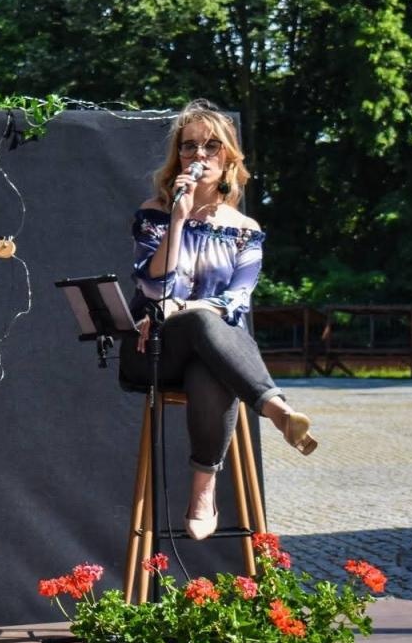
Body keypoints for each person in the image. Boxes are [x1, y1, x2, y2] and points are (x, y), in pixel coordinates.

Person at [119, 100, 317, 540]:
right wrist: (178, 217)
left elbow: (236, 301)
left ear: (228, 157)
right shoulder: (155, 212)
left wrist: (186, 308)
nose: (199, 156)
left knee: (210, 358)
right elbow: (152, 288)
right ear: (178, 158)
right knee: (204, 328)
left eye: (211, 146)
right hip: (151, 350)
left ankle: (203, 491)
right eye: (189, 148)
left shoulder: (244, 228)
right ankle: (275, 408)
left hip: (213, 350)